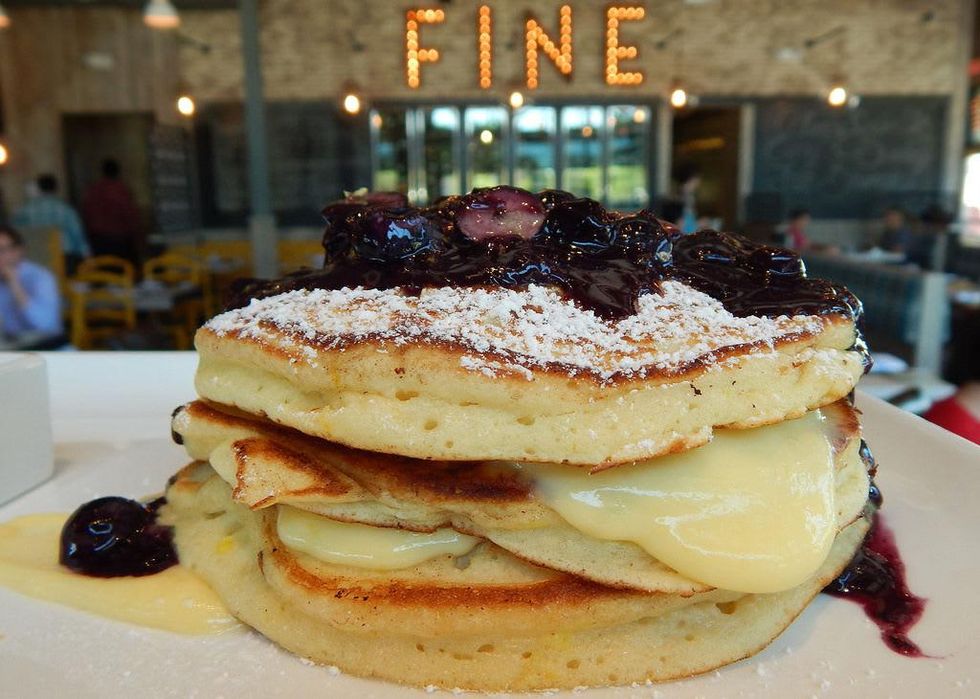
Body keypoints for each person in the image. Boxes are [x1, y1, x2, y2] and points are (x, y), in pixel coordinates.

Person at [12, 174, 90, 272]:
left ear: (38, 188)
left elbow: (14, 233)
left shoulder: (25, 210)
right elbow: (77, 235)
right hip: (64, 256)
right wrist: (87, 257)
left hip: (36, 255)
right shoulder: (66, 210)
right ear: (56, 189)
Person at [0, 224, 63, 341]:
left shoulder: (41, 278)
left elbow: (46, 326)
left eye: (2, 250)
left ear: (19, 251)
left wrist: (15, 285)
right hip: (10, 350)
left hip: (46, 350)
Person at [82, 159, 143, 264]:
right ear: (118, 172)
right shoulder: (122, 190)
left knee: (103, 273)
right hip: (120, 241)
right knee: (123, 274)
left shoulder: (93, 190)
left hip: (98, 241)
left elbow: (86, 214)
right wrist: (138, 239)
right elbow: (130, 216)